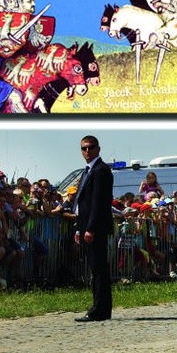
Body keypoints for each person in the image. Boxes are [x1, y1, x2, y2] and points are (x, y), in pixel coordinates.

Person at [73, 135, 114, 322]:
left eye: (90, 147)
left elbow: (98, 202)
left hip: (95, 227)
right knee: (95, 267)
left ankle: (99, 309)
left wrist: (90, 228)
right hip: (86, 226)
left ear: (98, 149)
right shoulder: (87, 171)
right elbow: (83, 201)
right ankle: (101, 308)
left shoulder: (101, 170)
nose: (87, 151)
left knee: (99, 268)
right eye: (84, 148)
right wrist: (79, 228)